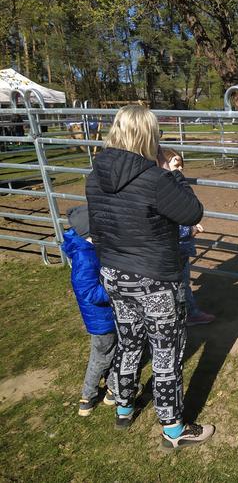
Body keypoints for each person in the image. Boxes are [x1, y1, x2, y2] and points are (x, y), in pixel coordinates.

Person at [86, 105, 215, 449]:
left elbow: (98, 227)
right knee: (166, 352)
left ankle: (124, 404)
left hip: (114, 273)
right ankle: (173, 428)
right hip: (155, 279)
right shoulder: (155, 179)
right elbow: (192, 212)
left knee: (129, 341)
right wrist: (172, 174)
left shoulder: (94, 175)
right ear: (149, 136)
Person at [61, 205, 117, 417]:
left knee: (106, 353)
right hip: (101, 318)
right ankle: (90, 395)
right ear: (87, 234)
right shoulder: (84, 257)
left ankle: (104, 392)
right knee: (104, 355)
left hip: (103, 317)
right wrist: (113, 290)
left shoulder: (87, 249)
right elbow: (89, 292)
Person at [158, 148, 216, 326]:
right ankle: (188, 315)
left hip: (176, 248)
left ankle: (183, 313)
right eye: (176, 165)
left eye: (181, 167)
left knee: (179, 282)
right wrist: (190, 231)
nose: (180, 171)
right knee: (181, 284)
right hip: (176, 248)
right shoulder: (166, 189)